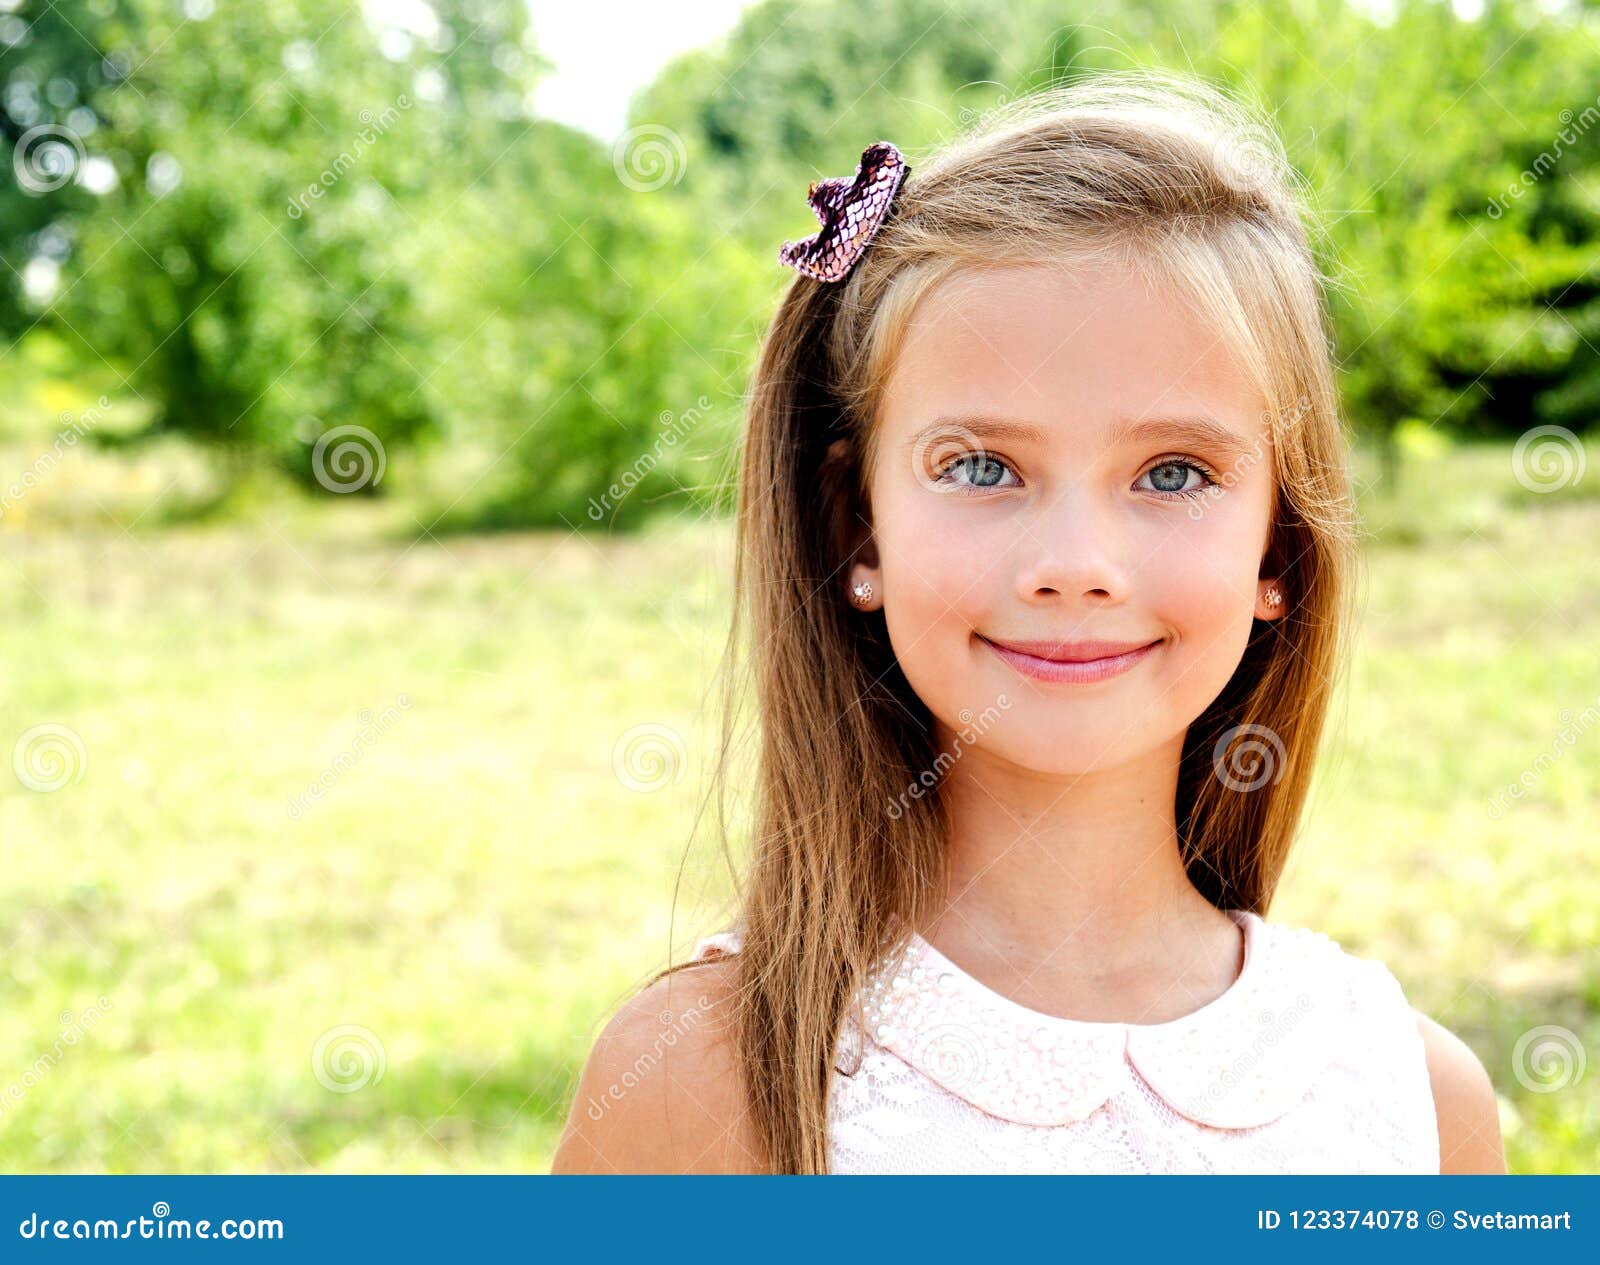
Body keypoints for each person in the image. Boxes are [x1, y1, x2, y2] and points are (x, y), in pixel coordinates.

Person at [550, 69, 1506, 1175]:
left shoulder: (1412, 1099)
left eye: (1175, 472)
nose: (1074, 566)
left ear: (1278, 547)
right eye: (981, 465)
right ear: (857, 528)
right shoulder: (702, 1078)